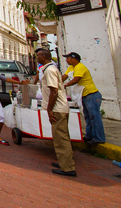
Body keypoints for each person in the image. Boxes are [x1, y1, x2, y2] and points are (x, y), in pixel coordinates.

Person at [36, 49, 76, 177]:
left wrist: (49, 109)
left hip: (57, 108)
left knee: (61, 139)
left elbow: (54, 91)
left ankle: (68, 168)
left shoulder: (50, 71)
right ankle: (65, 162)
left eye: (38, 56)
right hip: (60, 108)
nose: (36, 58)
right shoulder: (51, 69)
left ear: (43, 57)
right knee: (62, 137)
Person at [63, 52, 105, 146]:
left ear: (74, 59)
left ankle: (99, 138)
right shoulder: (71, 68)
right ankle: (89, 136)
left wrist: (64, 85)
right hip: (84, 95)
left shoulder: (80, 67)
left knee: (94, 117)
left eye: (68, 58)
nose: (66, 60)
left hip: (91, 95)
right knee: (88, 116)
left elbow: (76, 80)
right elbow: (64, 77)